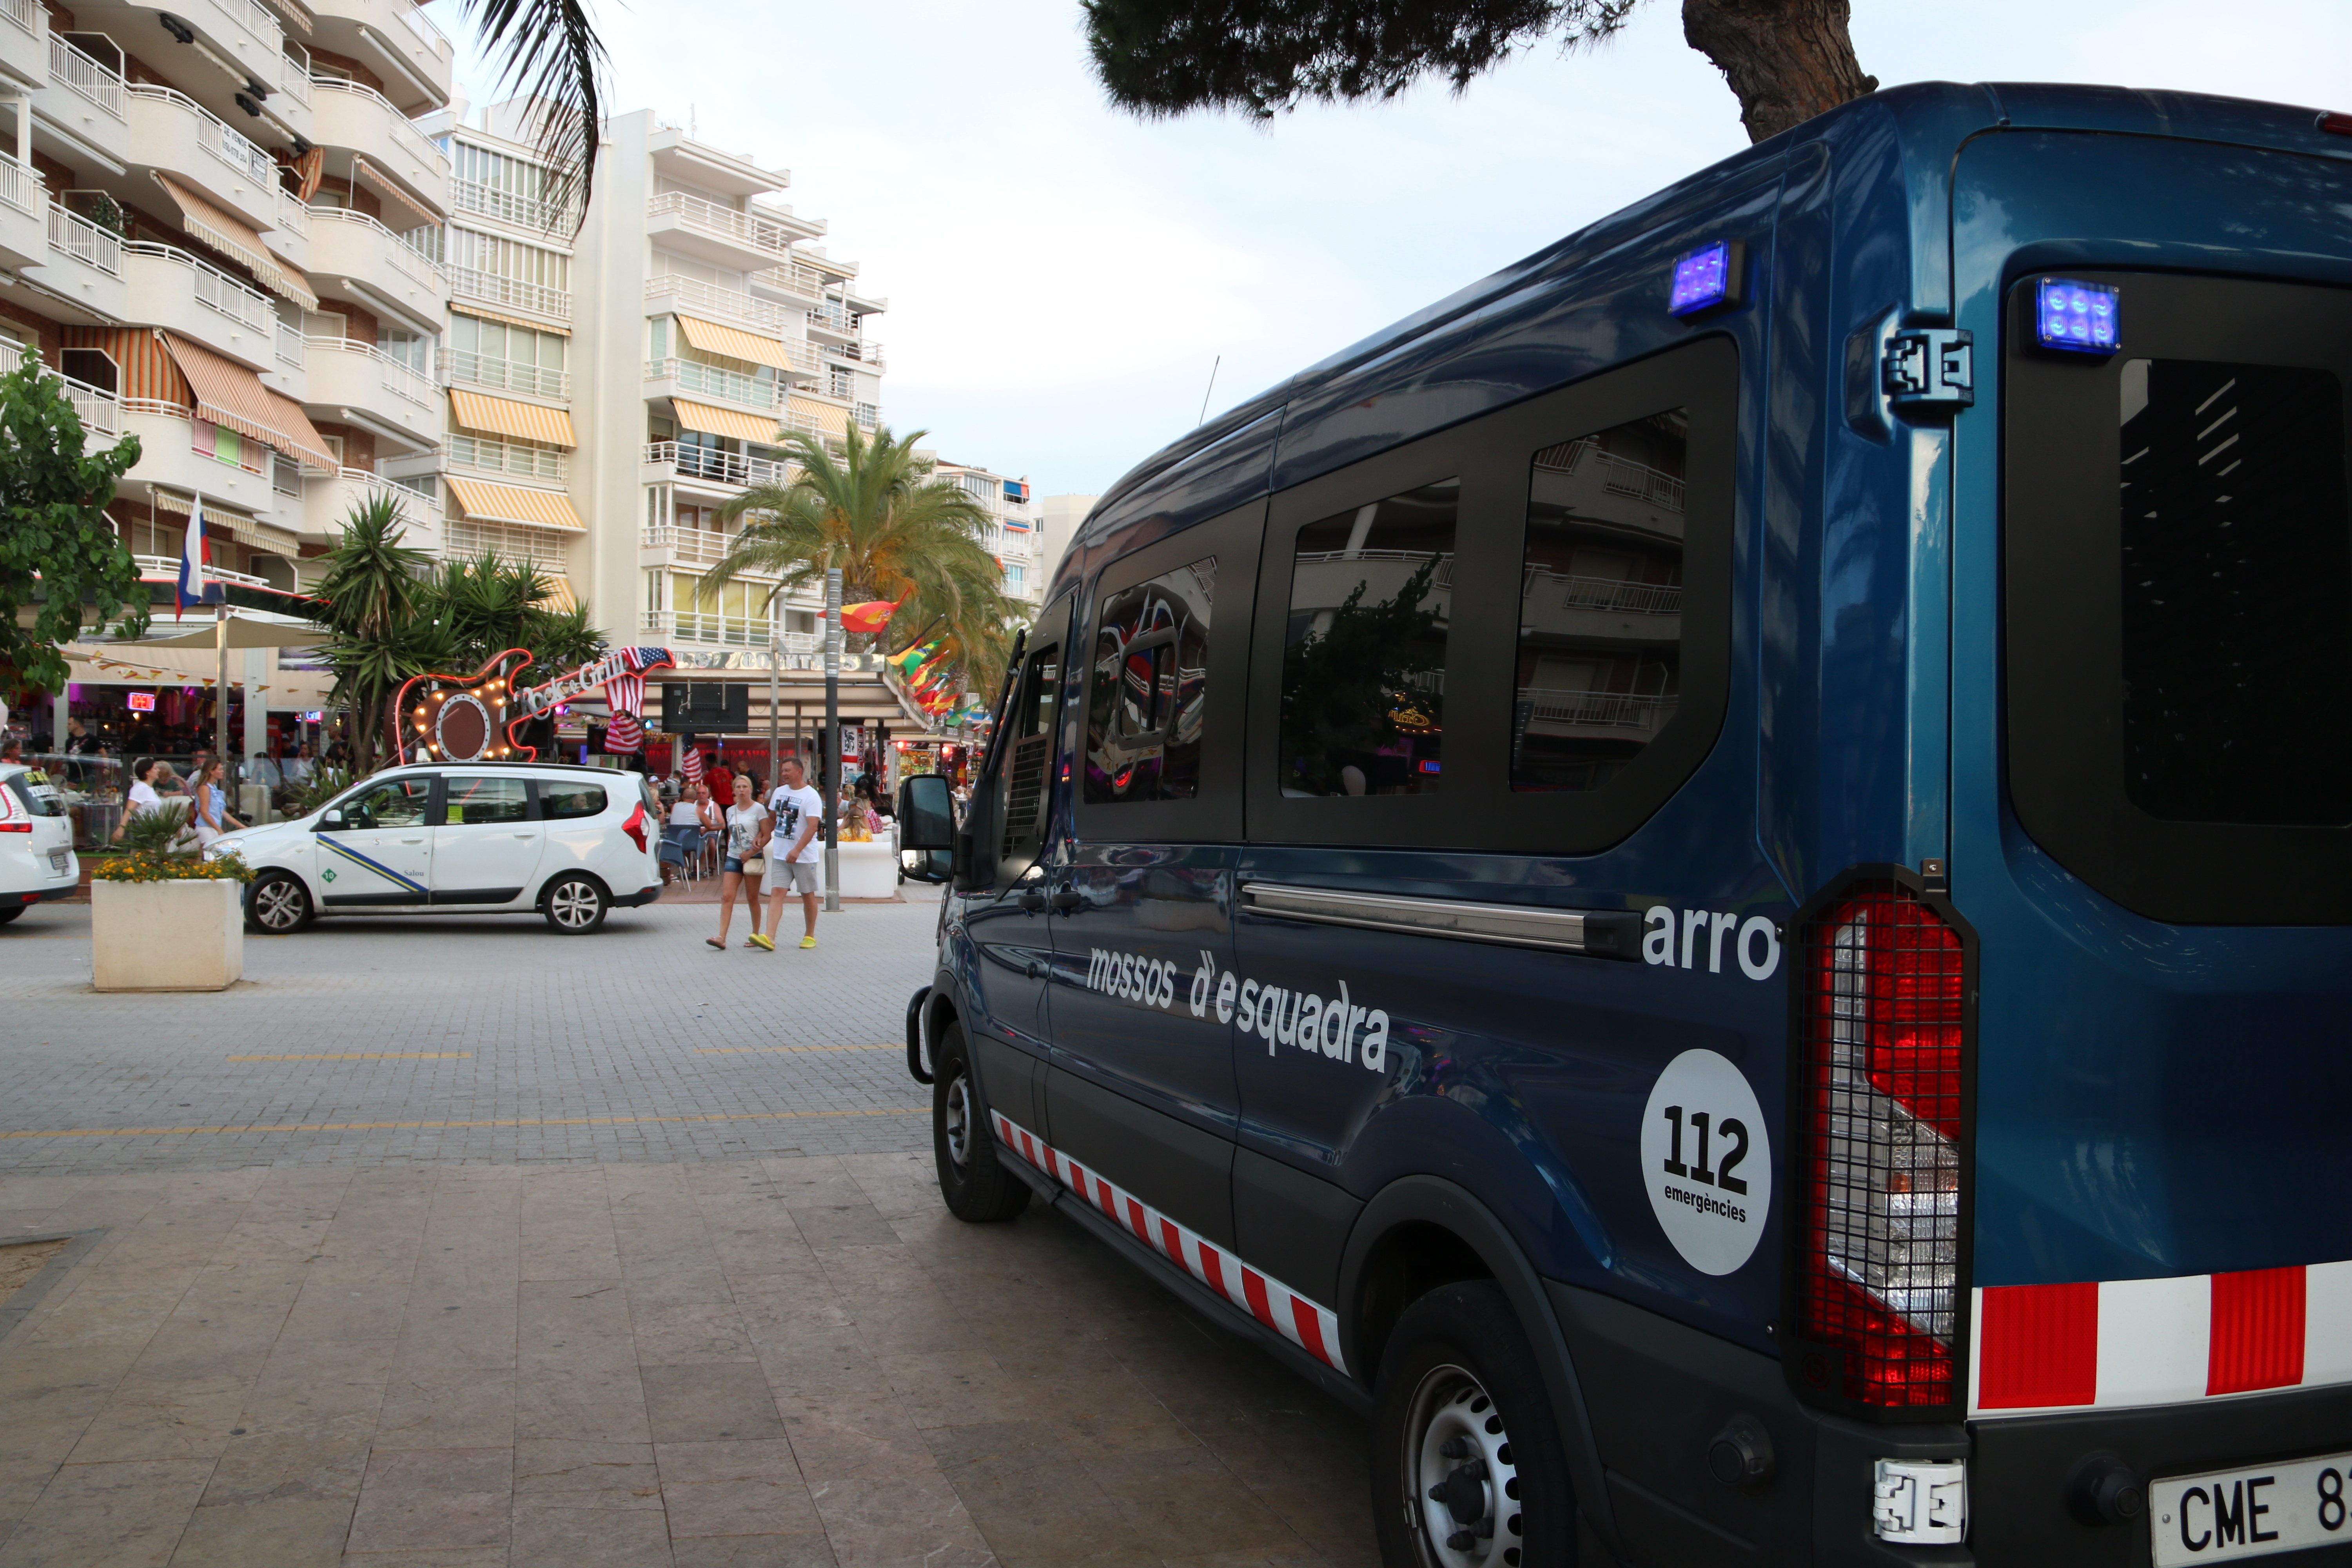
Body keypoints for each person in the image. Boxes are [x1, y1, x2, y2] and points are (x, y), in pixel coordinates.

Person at [761, 756, 826, 951]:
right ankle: (770, 936)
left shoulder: (811, 796)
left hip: (804, 855)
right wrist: (763, 838)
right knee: (777, 892)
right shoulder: (779, 793)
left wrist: (797, 850)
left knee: (807, 894)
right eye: (783, 771)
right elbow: (773, 819)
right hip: (781, 853)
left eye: (788, 771)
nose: (784, 774)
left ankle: (810, 934)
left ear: (799, 772)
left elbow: (813, 826)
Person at [708, 775, 767, 951]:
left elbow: (766, 834)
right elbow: (731, 834)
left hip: (752, 856)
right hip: (734, 856)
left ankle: (755, 933)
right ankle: (722, 936)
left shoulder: (759, 809)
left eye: (745, 787)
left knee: (752, 897)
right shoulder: (730, 811)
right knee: (727, 896)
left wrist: (752, 852)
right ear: (733, 790)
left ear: (750, 789)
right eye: (738, 787)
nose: (742, 790)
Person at [660, 778, 707, 885]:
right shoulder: (698, 809)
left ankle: (685, 869)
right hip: (693, 843)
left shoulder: (675, 807)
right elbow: (709, 825)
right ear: (695, 799)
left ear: (682, 797)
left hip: (676, 843)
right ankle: (698, 868)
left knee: (684, 838)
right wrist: (707, 829)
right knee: (704, 841)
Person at [192, 757, 243, 848]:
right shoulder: (205, 788)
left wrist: (240, 825)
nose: (222, 771)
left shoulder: (214, 788)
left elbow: (222, 812)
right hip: (206, 828)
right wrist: (219, 830)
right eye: (220, 769)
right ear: (211, 771)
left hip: (213, 828)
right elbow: (204, 812)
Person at [111, 758, 162, 842]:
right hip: (144, 827)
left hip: (152, 827)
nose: (158, 770)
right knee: (150, 853)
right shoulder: (140, 788)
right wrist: (122, 828)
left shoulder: (150, 789)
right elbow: (130, 809)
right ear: (147, 772)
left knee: (139, 853)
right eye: (155, 768)